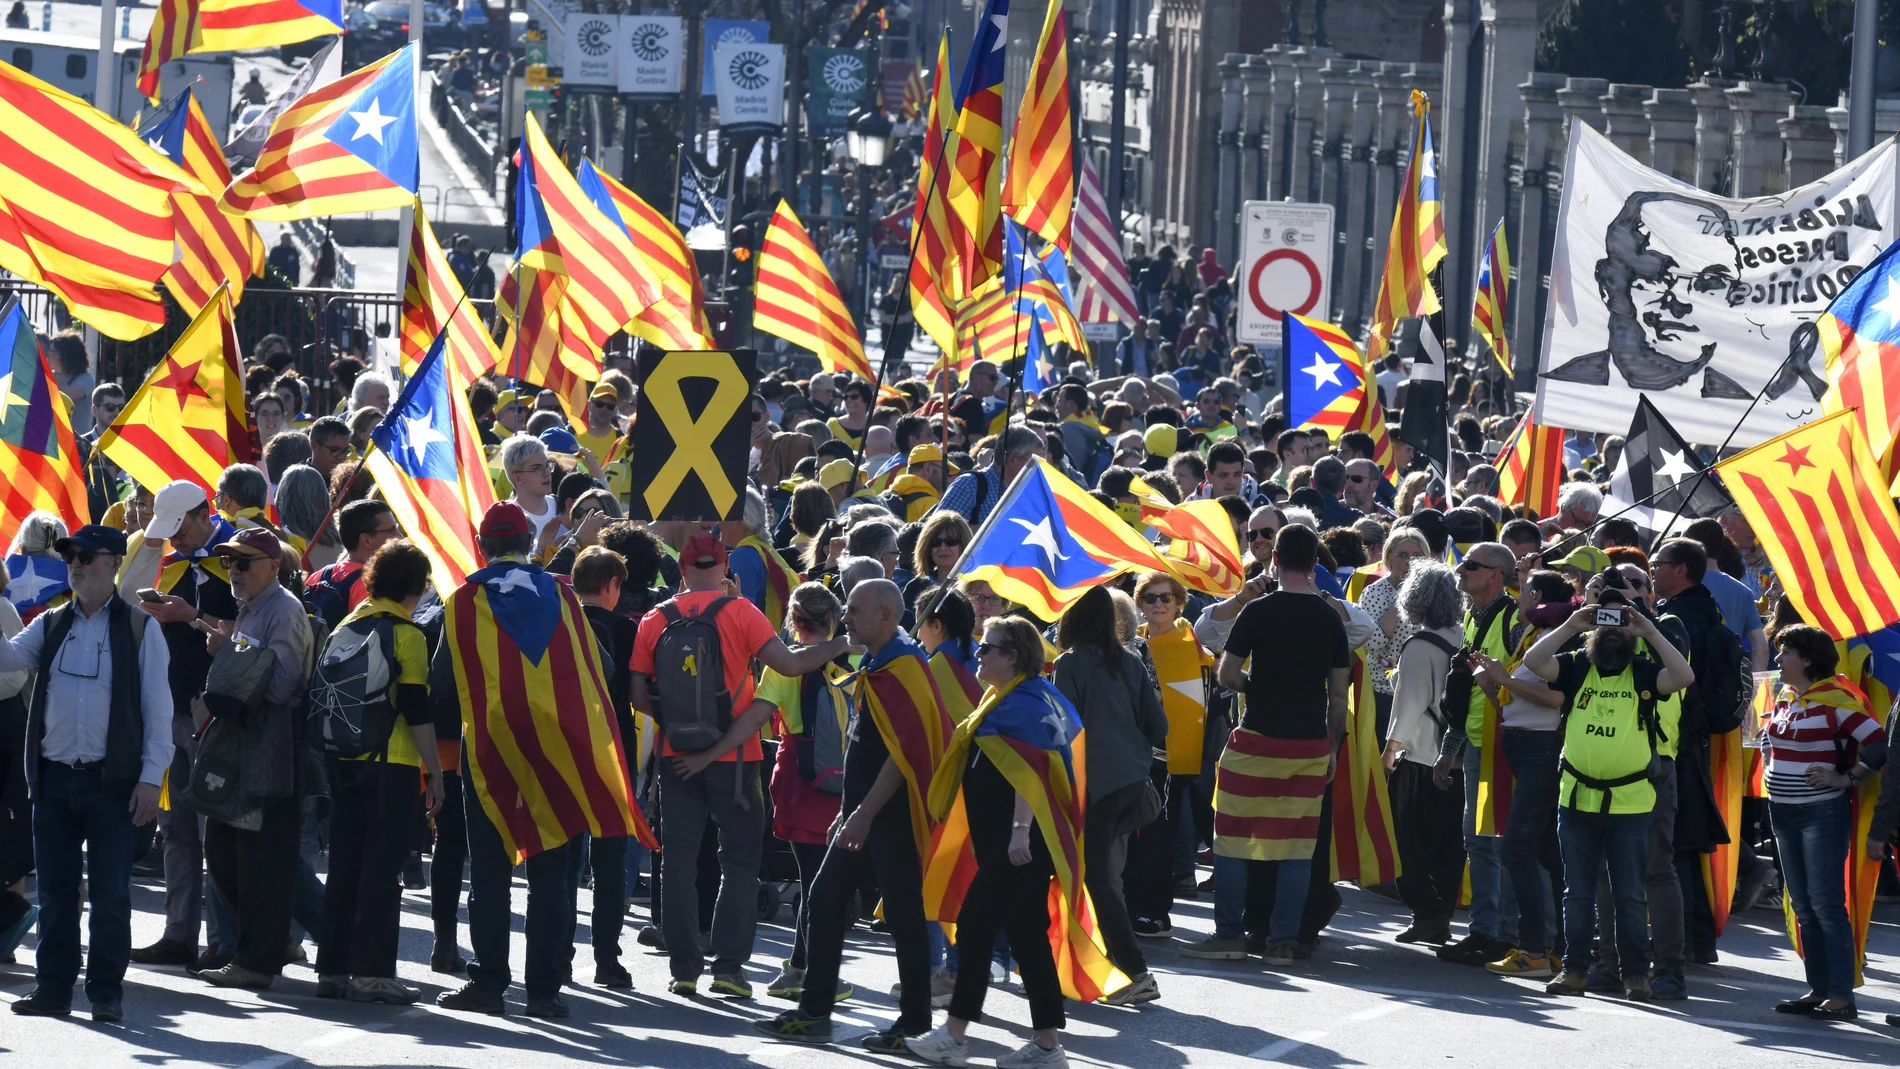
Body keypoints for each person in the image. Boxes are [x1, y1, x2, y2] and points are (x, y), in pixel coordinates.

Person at [434, 503, 652, 1018]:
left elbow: (443, 682)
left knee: (489, 870)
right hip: (558, 751)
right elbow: (602, 665)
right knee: (550, 873)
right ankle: (544, 991)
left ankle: (488, 982)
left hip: (490, 753)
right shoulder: (562, 596)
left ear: (484, 546)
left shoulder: (464, 600)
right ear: (528, 543)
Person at [631, 532, 852, 998]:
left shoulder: (656, 618)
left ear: (683, 570)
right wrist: (840, 646)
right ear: (726, 567)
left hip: (676, 759)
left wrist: (678, 732)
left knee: (678, 862)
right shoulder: (741, 612)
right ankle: (729, 969)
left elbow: (636, 695)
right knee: (739, 861)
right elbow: (790, 666)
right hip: (736, 758)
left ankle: (684, 968)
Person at [755, 580, 947, 1050]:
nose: (847, 620)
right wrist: (849, 812)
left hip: (890, 817)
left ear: (885, 615)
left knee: (904, 916)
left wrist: (862, 813)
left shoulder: (904, 666)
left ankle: (915, 1023)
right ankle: (815, 1012)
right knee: (822, 901)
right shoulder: (880, 662)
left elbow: (903, 756)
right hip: (859, 814)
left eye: (856, 610)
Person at [0, 526, 169, 1022]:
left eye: (86, 556)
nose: (74, 564)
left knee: (112, 895)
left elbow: (159, 710)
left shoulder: (141, 628)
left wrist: (150, 778)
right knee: (54, 893)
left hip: (112, 783)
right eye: (70, 556)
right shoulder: (51, 624)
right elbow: (6, 659)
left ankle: (104, 993)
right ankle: (53, 988)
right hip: (52, 779)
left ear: (115, 562)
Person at [904, 616, 1086, 1068]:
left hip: (1020, 843)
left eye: (988, 649)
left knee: (975, 926)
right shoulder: (1006, 697)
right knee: (1027, 936)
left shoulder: (1023, 703)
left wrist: (1020, 831)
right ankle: (1047, 1046)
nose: (979, 654)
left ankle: (955, 1035)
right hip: (1009, 841)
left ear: (1013, 656)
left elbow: (1034, 773)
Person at [1184, 524, 1351, 965]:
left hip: (1255, 739)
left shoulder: (1257, 612)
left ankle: (1229, 934)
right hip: (1310, 744)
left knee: (1232, 841)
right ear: (1315, 565)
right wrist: (1332, 747)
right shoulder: (1331, 618)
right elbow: (1339, 696)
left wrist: (1256, 686)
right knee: (1296, 848)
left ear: (1274, 560)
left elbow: (1226, 675)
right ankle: (1282, 942)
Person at [1524, 583, 1695, 1000]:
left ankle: (1636, 975)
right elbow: (1532, 661)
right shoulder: (1577, 665)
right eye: (1605, 620)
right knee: (1578, 891)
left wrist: (1649, 631)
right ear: (1592, 629)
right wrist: (1570, 624)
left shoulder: (1642, 671)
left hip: (1632, 800)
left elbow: (1684, 676)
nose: (1613, 627)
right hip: (1577, 796)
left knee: (1630, 893)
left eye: (1622, 621)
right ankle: (1577, 970)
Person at [312, 540, 444, 1005]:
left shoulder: (351, 623)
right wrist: (436, 772)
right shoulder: (406, 634)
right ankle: (373, 975)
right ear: (416, 585)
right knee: (382, 870)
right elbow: (414, 708)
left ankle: (331, 970)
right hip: (392, 765)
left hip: (343, 759)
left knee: (344, 865)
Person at [122, 482, 240, 975]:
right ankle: (178, 934)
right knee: (174, 829)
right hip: (168, 710)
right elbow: (125, 598)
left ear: (204, 512)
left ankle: (225, 939)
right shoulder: (168, 560)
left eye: (181, 529)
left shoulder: (239, 555)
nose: (178, 540)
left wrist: (191, 617)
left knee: (216, 829)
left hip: (216, 712)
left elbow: (245, 636)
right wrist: (151, 545)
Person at [198, 528, 316, 992]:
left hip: (274, 748)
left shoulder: (283, 610)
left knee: (258, 857)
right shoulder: (253, 608)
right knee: (228, 852)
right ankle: (272, 943)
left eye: (244, 562)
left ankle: (257, 958)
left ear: (272, 566)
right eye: (230, 563)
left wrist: (231, 655)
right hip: (246, 746)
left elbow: (282, 687)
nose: (235, 571)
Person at [1760, 625, 1887, 1020]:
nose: (1778, 660)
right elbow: (1768, 739)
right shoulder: (1786, 695)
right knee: (1804, 905)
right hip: (1782, 810)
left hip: (1820, 812)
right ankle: (1818, 990)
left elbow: (1880, 744)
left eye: (1785, 653)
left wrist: (1845, 778)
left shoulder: (1836, 699)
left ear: (1808, 659)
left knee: (1826, 905)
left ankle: (1840, 995)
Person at [1052, 585, 1167, 1001]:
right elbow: (1160, 728)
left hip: (1095, 787)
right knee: (1103, 877)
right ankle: (1103, 965)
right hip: (1132, 781)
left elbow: (1064, 730)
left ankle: (1135, 973)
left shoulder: (1069, 664)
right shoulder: (1132, 662)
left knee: (1098, 879)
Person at [756, 583, 856, 1003]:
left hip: (797, 777)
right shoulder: (854, 660)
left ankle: (800, 967)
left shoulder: (781, 664)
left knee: (810, 878)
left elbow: (759, 717)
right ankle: (814, 972)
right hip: (844, 782)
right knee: (823, 884)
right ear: (834, 619)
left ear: (794, 621)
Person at [1477, 570, 1577, 981]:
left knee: (1517, 847)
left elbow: (1557, 698)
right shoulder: (1532, 635)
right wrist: (1488, 682)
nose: (1516, 597)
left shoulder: (1555, 636)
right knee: (1546, 851)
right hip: (1522, 745)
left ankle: (1536, 949)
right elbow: (1515, 701)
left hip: (1540, 750)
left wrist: (1503, 679)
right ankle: (1558, 949)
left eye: (1523, 590)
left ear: (1537, 595)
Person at [1434, 541, 1521, 966]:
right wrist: (1450, 750)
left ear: (1495, 575)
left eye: (1471, 565)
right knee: (1479, 842)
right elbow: (1463, 689)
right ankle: (1485, 931)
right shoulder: (1472, 616)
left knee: (1495, 843)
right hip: (1475, 746)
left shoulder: (1514, 619)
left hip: (1504, 749)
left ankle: (1506, 934)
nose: (1462, 570)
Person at [1124, 571, 1213, 946]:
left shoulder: (1188, 646)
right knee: (1131, 838)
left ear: (1180, 603)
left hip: (1169, 758)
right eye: (1149, 598)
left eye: (1166, 597)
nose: (1157, 604)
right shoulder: (1132, 641)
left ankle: (1155, 912)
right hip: (1130, 756)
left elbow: (1195, 708)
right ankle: (1130, 906)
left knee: (1159, 836)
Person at [1380, 561, 1466, 944]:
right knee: (1448, 844)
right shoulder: (1464, 636)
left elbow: (1409, 704)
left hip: (1419, 756)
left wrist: (1389, 750)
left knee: (1404, 841)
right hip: (1457, 755)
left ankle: (1427, 912)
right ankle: (1439, 914)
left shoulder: (1419, 646)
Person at [571, 546, 641, 989]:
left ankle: (558, 955)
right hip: (613, 753)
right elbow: (637, 695)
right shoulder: (625, 629)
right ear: (612, 586)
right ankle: (606, 959)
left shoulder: (560, 619)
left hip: (567, 749)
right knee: (610, 862)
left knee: (563, 860)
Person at [1356, 528, 1432, 739]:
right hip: (1385, 691)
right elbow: (1373, 643)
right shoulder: (1375, 592)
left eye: (1417, 556)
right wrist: (1402, 599)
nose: (1409, 562)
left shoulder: (1434, 591)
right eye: (1402, 555)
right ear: (1389, 556)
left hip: (1426, 692)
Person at [304, 500, 400, 629]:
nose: (399, 537)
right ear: (366, 540)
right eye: (391, 530)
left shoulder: (317, 576)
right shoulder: (371, 585)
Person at [936, 425, 1044, 527]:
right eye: (1033, 461)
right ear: (1013, 458)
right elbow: (936, 530)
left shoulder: (1028, 495)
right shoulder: (970, 485)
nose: (1038, 468)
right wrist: (988, 533)